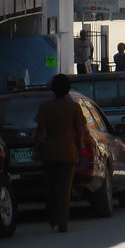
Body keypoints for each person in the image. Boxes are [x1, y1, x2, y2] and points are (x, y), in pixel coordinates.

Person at [34, 74, 90, 233]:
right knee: (65, 189)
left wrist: (36, 148)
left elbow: (40, 131)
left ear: (53, 89)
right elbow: (80, 132)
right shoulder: (74, 108)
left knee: (51, 188)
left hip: (49, 153)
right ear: (68, 89)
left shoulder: (46, 106)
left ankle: (52, 218)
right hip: (68, 153)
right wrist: (79, 149)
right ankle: (63, 222)